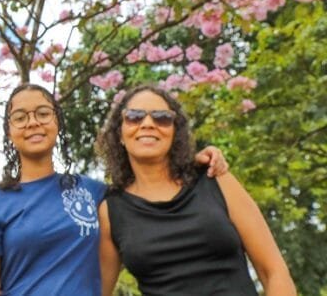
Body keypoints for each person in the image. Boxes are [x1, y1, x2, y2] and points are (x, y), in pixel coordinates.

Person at [0, 83, 227, 295]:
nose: (33, 122)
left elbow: (148, 189)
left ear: (57, 122)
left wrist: (192, 163)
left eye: (43, 113)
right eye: (20, 117)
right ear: (9, 131)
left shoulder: (95, 193)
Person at [97, 85, 296, 296]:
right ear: (120, 134)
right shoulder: (111, 211)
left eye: (162, 118)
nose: (147, 124)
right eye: (134, 117)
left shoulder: (214, 178)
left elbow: (273, 271)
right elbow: (95, 290)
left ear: (175, 132)